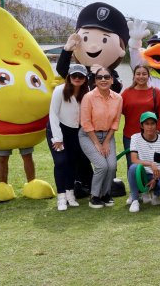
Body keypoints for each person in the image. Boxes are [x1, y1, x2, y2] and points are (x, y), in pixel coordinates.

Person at [46, 64, 89, 211]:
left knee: (72, 162)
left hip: (74, 131)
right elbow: (53, 114)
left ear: (85, 79)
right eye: (74, 76)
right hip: (57, 129)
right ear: (69, 77)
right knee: (61, 162)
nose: (77, 78)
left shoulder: (86, 92)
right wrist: (57, 138)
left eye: (81, 76)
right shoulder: (59, 90)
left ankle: (70, 194)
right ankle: (61, 196)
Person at [79, 67, 123, 209]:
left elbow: (116, 122)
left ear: (112, 79)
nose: (103, 80)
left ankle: (105, 194)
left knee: (112, 166)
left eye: (106, 77)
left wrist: (106, 141)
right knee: (102, 166)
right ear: (95, 81)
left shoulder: (118, 98)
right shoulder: (89, 97)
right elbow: (85, 122)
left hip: (108, 136)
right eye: (99, 77)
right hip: (88, 136)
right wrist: (98, 144)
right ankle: (95, 196)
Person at [127, 112, 160, 212]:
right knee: (133, 167)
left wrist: (155, 179)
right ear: (142, 125)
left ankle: (155, 193)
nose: (150, 127)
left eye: (152, 123)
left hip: (157, 175)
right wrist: (151, 164)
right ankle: (135, 200)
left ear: (156, 124)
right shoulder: (135, 138)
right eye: (147, 124)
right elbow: (134, 159)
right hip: (141, 174)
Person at [121, 65, 160, 168]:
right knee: (133, 167)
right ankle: (134, 185)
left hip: (150, 136)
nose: (141, 76)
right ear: (134, 76)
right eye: (138, 74)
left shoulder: (156, 92)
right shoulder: (127, 93)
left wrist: (158, 129)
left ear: (148, 75)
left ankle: (153, 184)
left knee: (152, 166)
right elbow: (117, 111)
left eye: (144, 74)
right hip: (130, 136)